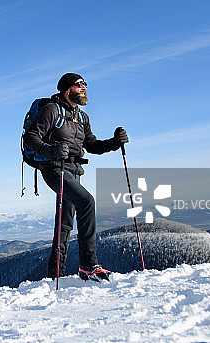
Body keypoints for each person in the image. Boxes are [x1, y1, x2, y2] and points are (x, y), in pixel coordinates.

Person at [22, 73, 129, 281]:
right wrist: (51, 150)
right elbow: (31, 138)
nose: (84, 88)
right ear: (67, 89)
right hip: (54, 168)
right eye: (80, 85)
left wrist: (114, 143)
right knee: (87, 201)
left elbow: (91, 145)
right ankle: (89, 265)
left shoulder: (81, 117)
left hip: (74, 169)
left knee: (65, 222)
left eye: (85, 84)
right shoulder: (52, 110)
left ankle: (56, 275)